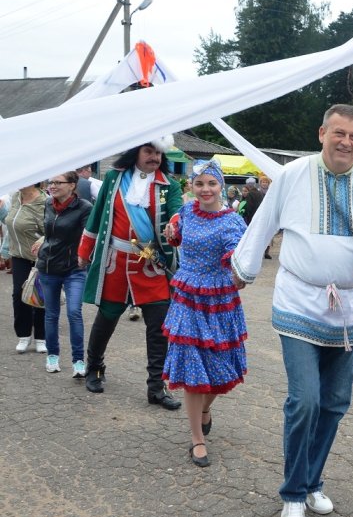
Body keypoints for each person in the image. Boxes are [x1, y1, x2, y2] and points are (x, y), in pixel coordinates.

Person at [230, 104, 353, 517]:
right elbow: (264, 220)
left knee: (333, 403)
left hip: (348, 308)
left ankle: (312, 481)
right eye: (338, 133)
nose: (345, 142)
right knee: (305, 399)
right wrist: (243, 269)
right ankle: (292, 493)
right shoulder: (292, 175)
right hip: (298, 303)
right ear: (322, 132)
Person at [77, 137, 182, 410]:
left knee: (159, 330)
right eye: (149, 151)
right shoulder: (114, 178)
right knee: (106, 320)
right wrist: (84, 249)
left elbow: (176, 214)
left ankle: (156, 388)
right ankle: (94, 369)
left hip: (152, 266)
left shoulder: (168, 186)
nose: (155, 157)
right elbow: (97, 216)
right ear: (136, 151)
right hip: (116, 265)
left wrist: (176, 225)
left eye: (158, 153)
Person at [162, 160, 248, 467]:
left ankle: (205, 408)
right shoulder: (186, 212)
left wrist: (235, 266)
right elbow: (178, 237)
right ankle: (197, 438)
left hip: (219, 301)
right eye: (199, 184)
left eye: (211, 183)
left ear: (221, 185)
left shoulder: (232, 222)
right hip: (187, 298)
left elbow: (236, 251)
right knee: (191, 370)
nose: (206, 189)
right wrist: (172, 233)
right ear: (192, 188)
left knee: (222, 369)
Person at [33, 171, 92, 376]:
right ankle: (52, 356)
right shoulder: (48, 204)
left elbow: (88, 236)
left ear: (72, 185)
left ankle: (78, 361)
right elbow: (50, 231)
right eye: (50, 182)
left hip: (74, 269)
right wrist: (42, 240)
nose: (53, 185)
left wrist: (84, 256)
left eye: (58, 182)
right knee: (51, 314)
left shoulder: (84, 207)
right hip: (48, 268)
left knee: (74, 312)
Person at [6, 182, 47, 353]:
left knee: (39, 295)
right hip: (19, 255)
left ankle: (41, 337)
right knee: (19, 294)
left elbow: (52, 229)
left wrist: (42, 241)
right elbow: (9, 222)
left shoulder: (44, 202)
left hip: (40, 257)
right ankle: (23, 335)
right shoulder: (15, 197)